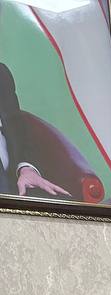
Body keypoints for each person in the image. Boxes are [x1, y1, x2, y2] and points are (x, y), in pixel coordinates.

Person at [0, 63, 71, 199]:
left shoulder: (1, 75)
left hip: (17, 192)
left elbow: (21, 132)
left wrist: (26, 168)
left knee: (68, 204)